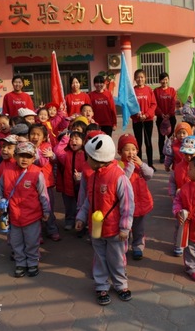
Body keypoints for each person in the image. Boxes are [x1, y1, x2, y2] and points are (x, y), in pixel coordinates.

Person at [75, 134, 135, 306]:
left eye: (89, 157)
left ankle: (120, 284)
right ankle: (101, 285)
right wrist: (81, 217)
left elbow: (127, 204)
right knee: (100, 257)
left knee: (117, 258)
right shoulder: (93, 176)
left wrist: (125, 227)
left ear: (98, 159)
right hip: (96, 228)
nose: (86, 161)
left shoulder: (119, 177)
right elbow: (89, 200)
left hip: (115, 230)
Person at [0, 141, 51, 277]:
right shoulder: (7, 172)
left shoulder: (37, 173)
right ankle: (20, 263)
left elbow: (43, 194)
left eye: (28, 156)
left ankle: (32, 262)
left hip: (32, 216)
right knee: (16, 242)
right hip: (13, 216)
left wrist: (46, 210)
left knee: (32, 242)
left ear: (33, 158)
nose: (24, 159)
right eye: (21, 156)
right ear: (15, 156)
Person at [117, 134, 154, 260]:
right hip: (127, 204)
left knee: (139, 228)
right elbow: (124, 178)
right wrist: (131, 166)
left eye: (133, 149)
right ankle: (123, 247)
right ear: (120, 151)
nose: (131, 152)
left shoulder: (139, 164)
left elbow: (149, 175)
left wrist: (142, 164)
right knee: (125, 227)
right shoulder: (119, 165)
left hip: (141, 201)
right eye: (127, 149)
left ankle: (138, 245)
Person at [54, 130, 86, 231]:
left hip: (82, 186)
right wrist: (64, 140)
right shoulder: (66, 154)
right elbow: (58, 152)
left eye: (76, 139)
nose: (73, 141)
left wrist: (81, 176)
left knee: (81, 205)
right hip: (68, 186)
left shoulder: (86, 154)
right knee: (69, 206)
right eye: (71, 139)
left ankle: (82, 223)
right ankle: (69, 221)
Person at [131, 69, 157, 169]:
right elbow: (130, 106)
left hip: (148, 120)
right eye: (138, 77)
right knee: (138, 143)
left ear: (145, 78)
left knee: (148, 142)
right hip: (137, 121)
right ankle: (139, 164)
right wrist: (136, 115)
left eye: (142, 77)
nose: (140, 79)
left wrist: (146, 115)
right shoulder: (132, 91)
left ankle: (150, 164)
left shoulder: (149, 90)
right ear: (135, 79)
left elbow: (153, 104)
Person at [154, 72, 178, 163]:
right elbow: (155, 104)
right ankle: (162, 155)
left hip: (171, 117)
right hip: (160, 118)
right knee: (161, 137)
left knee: (171, 137)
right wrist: (161, 114)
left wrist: (169, 114)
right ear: (160, 80)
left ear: (168, 80)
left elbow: (173, 103)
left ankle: (171, 155)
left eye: (166, 79)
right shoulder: (156, 91)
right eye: (162, 79)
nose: (164, 81)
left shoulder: (172, 90)